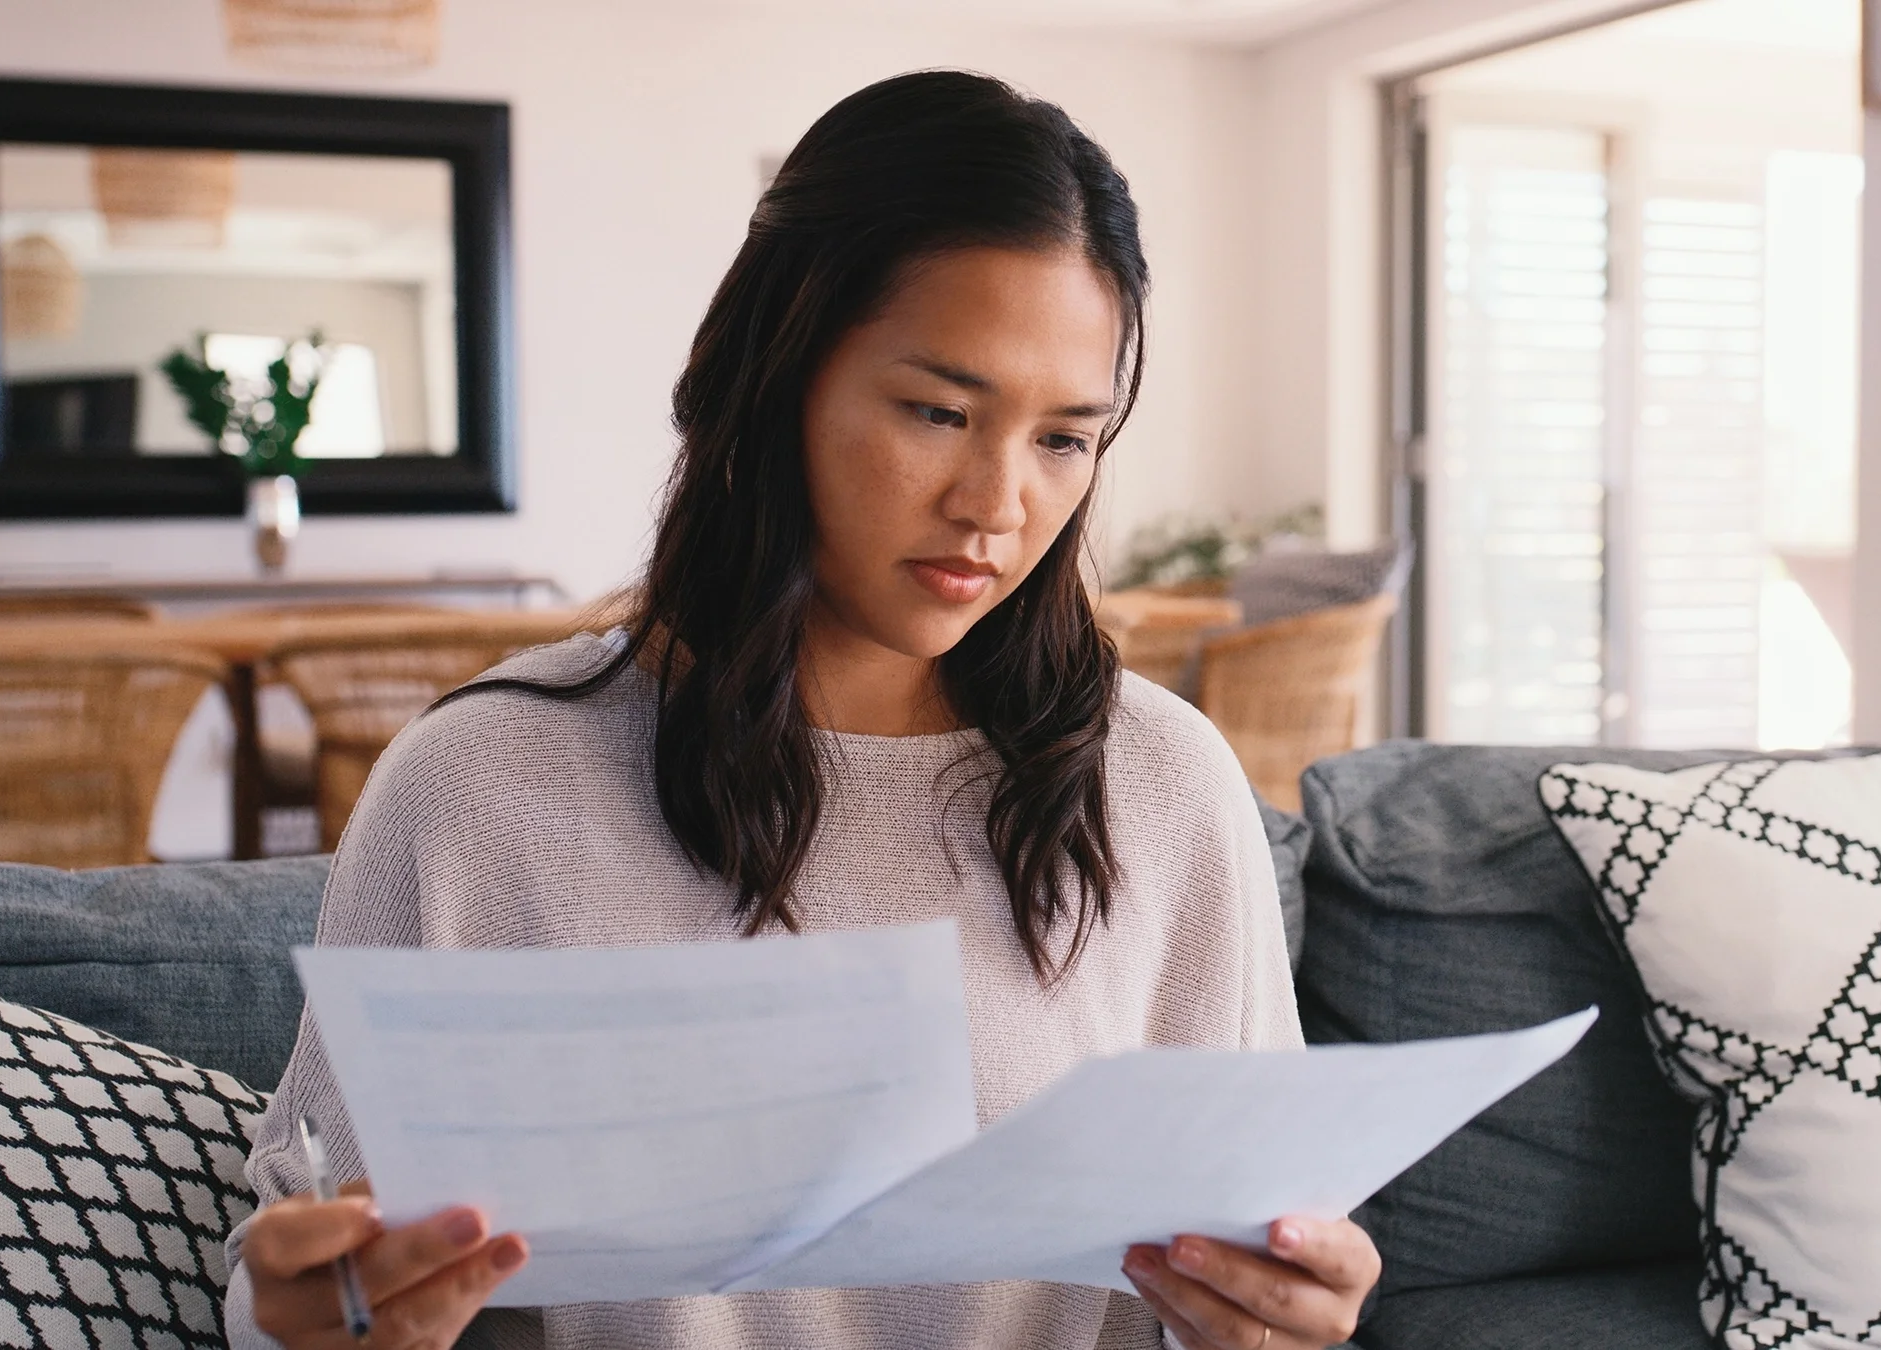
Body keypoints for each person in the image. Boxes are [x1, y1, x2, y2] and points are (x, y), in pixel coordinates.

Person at [225, 69, 1382, 1350]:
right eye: (939, 411)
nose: (997, 504)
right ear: (774, 377)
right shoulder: (481, 785)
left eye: (1065, 438)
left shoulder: (1161, 783)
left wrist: (1274, 1318)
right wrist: (303, 1315)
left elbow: (1249, 1255)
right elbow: (306, 1254)